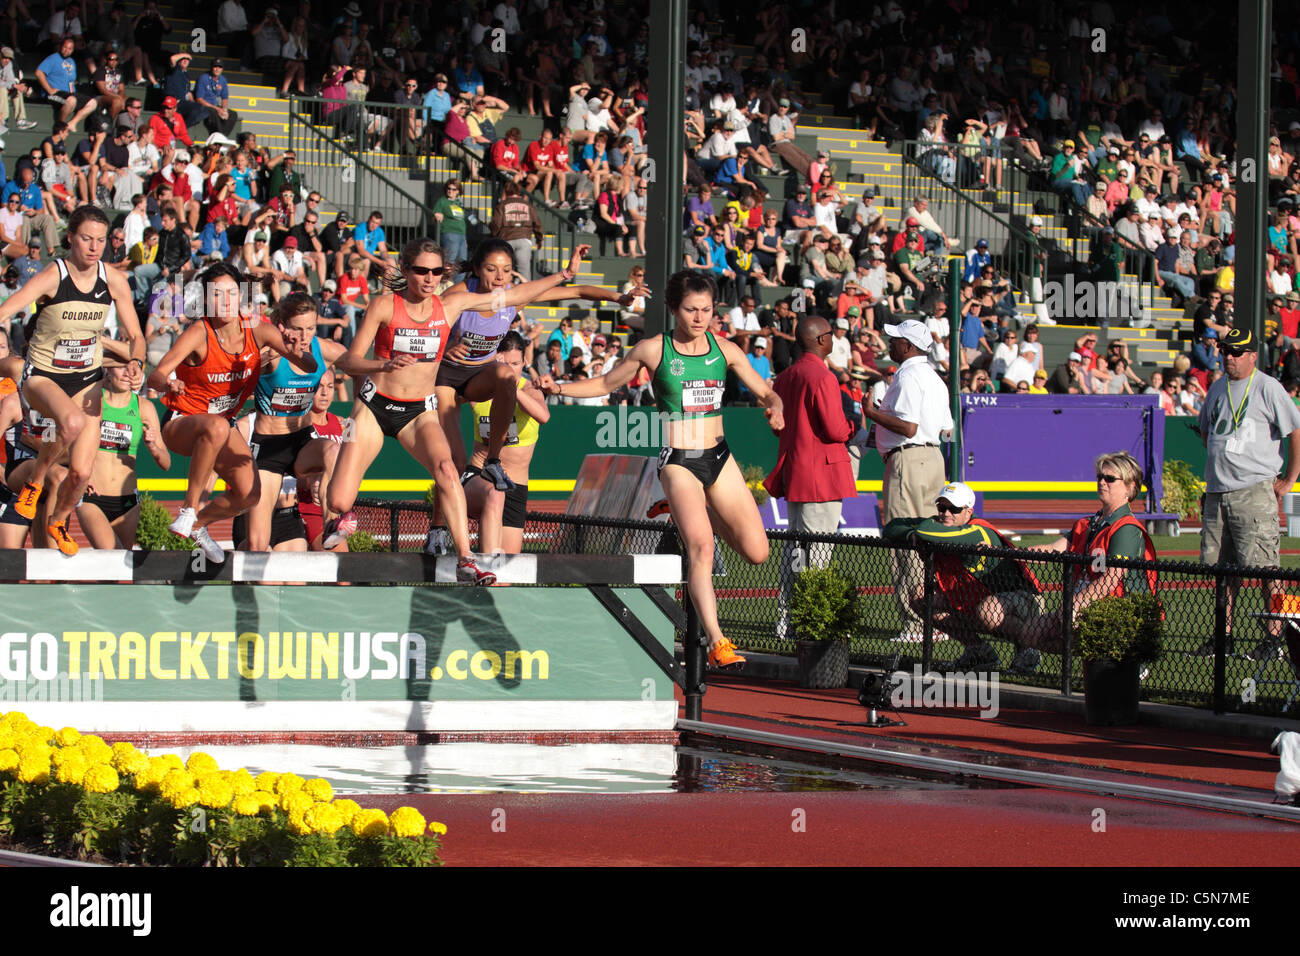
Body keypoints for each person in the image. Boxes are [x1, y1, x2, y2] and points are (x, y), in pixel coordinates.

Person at [541, 270, 785, 669]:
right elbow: (605, 383)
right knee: (702, 548)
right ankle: (717, 640)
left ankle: (695, 510)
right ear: (673, 308)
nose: (700, 317)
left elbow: (766, 391)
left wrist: (774, 407)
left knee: (757, 553)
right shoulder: (653, 350)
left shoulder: (725, 350)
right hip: (679, 463)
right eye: (691, 309)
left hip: (719, 457)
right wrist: (559, 388)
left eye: (706, 310)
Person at [322, 239, 588, 584]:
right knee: (340, 499)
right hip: (374, 406)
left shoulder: (451, 305)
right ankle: (338, 519)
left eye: (436, 271)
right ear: (406, 270)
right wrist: (383, 364)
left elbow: (515, 296)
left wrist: (565, 274)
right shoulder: (384, 306)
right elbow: (349, 361)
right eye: (421, 271)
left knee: (448, 469)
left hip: (418, 410)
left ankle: (465, 557)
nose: (429, 278)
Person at [434, 240, 645, 495]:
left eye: (507, 270)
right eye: (492, 269)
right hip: (447, 376)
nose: (500, 277)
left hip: (478, 375)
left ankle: (492, 461)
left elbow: (575, 292)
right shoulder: (457, 296)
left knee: (507, 375)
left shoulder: (514, 297)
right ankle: (438, 528)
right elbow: (424, 332)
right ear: (477, 269)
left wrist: (619, 298)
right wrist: (444, 349)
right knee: (453, 462)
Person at [146, 261, 316, 563]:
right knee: (218, 427)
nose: (223, 301)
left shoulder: (259, 331)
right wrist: (169, 384)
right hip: (182, 423)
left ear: (241, 296)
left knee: (250, 495)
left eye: (230, 293)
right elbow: (155, 376)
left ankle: (198, 526)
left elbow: (309, 366)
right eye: (216, 294)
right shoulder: (199, 332)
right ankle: (189, 510)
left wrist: (297, 347)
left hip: (222, 425)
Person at [0, 206, 146, 555]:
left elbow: (136, 336)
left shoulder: (113, 281)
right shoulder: (54, 275)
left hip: (85, 380)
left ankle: (57, 520)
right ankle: (35, 482)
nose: (94, 247)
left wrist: (138, 360)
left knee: (80, 473)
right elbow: (7, 309)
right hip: (43, 377)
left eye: (100, 240)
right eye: (86, 239)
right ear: (70, 238)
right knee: (71, 422)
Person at [1198, 326, 1300, 665]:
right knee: (1221, 571)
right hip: (1217, 493)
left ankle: (1274, 638)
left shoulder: (1267, 387)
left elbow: (1295, 430)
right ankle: (1222, 636)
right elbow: (1206, 432)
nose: (1229, 356)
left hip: (1253, 490)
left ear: (1253, 356)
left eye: (1236, 352)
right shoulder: (1216, 389)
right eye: (1226, 350)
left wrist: (1289, 479)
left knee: (1267, 569)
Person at [883, 481, 1045, 673]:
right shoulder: (941, 526)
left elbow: (927, 531)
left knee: (988, 611)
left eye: (954, 509)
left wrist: (921, 532)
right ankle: (978, 650)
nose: (946, 514)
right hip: (973, 599)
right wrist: (911, 534)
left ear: (969, 512)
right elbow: (892, 527)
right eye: (942, 507)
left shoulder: (978, 531)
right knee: (920, 596)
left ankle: (1028, 648)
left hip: (1023, 601)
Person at [765, 315, 857, 640]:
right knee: (817, 552)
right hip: (821, 472)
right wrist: (853, 424)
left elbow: (778, 428)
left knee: (795, 550)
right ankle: (808, 622)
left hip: (796, 470)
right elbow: (835, 429)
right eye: (831, 335)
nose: (833, 339)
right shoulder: (822, 376)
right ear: (820, 340)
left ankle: (787, 621)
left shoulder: (786, 376)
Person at [864, 319, 954, 642]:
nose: (890, 345)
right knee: (932, 539)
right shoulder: (935, 378)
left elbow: (908, 427)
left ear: (909, 346)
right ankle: (936, 618)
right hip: (933, 460)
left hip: (909, 460)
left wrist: (873, 414)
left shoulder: (907, 374)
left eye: (896, 340)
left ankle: (917, 623)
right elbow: (947, 427)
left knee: (906, 539)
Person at [243, 292, 349, 552]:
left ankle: (332, 523)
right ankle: (233, 561)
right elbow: (242, 368)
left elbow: (352, 360)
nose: (304, 336)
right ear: (282, 327)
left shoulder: (320, 347)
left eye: (310, 328)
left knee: (333, 449)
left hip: (301, 439)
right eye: (298, 329)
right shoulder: (270, 351)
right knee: (257, 547)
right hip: (268, 445)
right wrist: (262, 360)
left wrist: (384, 366)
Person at [1024, 451, 1158, 648]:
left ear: (1129, 488)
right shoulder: (1089, 524)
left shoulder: (1126, 528)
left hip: (1118, 607)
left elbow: (1112, 578)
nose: (1102, 482)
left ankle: (1125, 658)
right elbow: (1053, 550)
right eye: (1100, 477)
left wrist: (1077, 603)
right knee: (1031, 631)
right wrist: (1010, 553)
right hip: (1086, 604)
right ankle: (1093, 662)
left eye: (1110, 479)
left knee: (1070, 619)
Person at [459, 331, 548, 555]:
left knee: (507, 570)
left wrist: (512, 389)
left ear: (524, 362)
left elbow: (543, 416)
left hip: (514, 487)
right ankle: (484, 571)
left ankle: (488, 580)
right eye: (503, 363)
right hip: (479, 478)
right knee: (493, 495)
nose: (509, 369)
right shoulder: (480, 389)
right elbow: (444, 394)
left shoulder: (530, 390)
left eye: (515, 364)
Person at [76, 356, 170, 548]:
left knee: (117, 573)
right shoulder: (91, 400)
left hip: (127, 503)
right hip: (91, 497)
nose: (129, 374)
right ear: (108, 370)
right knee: (111, 553)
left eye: (134, 369)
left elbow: (166, 463)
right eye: (121, 368)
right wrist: (78, 473)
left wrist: (152, 445)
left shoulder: (144, 407)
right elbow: (64, 441)